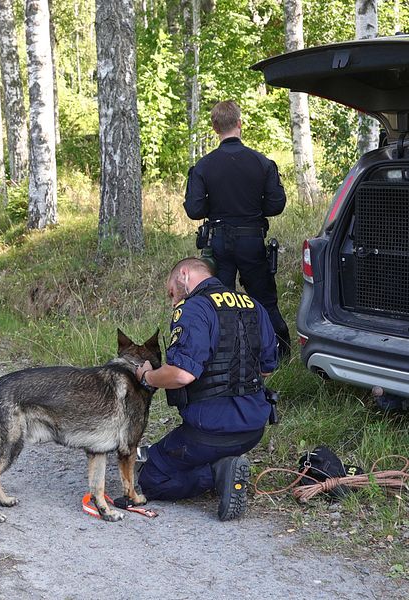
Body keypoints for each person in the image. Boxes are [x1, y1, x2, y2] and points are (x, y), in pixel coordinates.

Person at [134, 257, 277, 520]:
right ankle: (224, 464)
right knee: (174, 451)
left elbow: (181, 374)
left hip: (209, 431)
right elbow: (267, 367)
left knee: (150, 477)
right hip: (253, 429)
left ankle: (219, 472)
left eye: (171, 292)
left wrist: (147, 377)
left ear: (184, 275)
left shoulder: (194, 308)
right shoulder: (253, 305)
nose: (173, 301)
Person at [184, 100, 290, 358]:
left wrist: (215, 207)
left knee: (218, 300)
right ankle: (281, 352)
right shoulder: (262, 162)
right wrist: (252, 210)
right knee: (264, 299)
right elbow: (277, 204)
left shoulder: (204, 166)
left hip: (219, 241)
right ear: (240, 124)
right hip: (251, 239)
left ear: (215, 127)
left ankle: (223, 355)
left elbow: (194, 210)